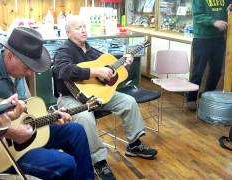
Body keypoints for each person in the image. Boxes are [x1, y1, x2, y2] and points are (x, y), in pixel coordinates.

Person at [0, 27, 94, 180]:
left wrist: (52, 117)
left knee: (76, 131)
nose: (30, 73)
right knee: (65, 163)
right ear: (10, 55)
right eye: (27, 66)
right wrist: (10, 131)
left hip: (23, 139)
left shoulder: (18, 74)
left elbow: (28, 113)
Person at [53, 15, 158, 180]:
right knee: (85, 118)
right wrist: (95, 72)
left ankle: (134, 145)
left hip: (98, 95)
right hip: (70, 98)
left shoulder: (93, 51)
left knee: (129, 101)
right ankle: (98, 161)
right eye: (78, 28)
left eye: (84, 27)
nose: (83, 30)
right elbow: (62, 71)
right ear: (68, 33)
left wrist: (124, 64)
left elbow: (112, 75)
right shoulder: (63, 51)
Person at [186, 0, 232, 110]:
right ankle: (191, 99)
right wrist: (214, 22)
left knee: (216, 71)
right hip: (202, 38)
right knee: (198, 71)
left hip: (219, 38)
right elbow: (198, 15)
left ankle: (206, 98)